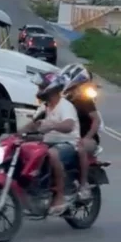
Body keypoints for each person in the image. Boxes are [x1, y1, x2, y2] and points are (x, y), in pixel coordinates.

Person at [21, 73, 80, 215]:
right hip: (48, 142)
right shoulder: (44, 107)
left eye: (41, 87)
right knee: (23, 150)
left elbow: (69, 125)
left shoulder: (65, 105)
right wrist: (14, 135)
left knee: (52, 154)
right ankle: (33, 190)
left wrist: (53, 125)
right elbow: (32, 125)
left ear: (51, 89)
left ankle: (59, 197)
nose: (39, 90)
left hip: (69, 143)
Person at [61, 64, 100, 200]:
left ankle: (83, 186)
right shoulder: (63, 100)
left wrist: (87, 138)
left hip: (87, 138)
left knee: (80, 147)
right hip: (67, 138)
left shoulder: (84, 100)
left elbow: (96, 121)